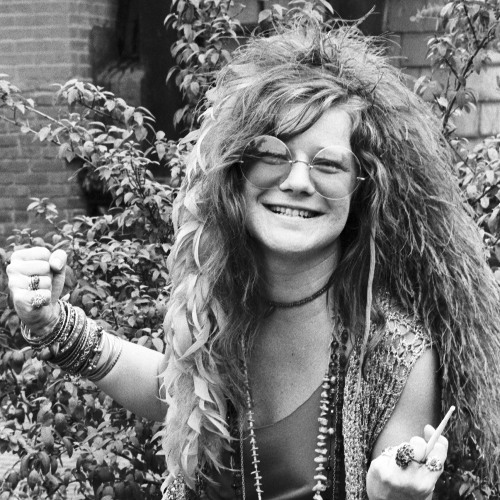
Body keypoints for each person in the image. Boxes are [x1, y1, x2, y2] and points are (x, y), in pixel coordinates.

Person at [6, 21, 500, 500]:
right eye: (274, 153)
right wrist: (53, 324)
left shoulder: (397, 352)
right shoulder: (220, 299)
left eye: (329, 164)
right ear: (237, 171)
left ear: (361, 189)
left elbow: (399, 474)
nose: (298, 181)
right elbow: (173, 390)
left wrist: (392, 497)